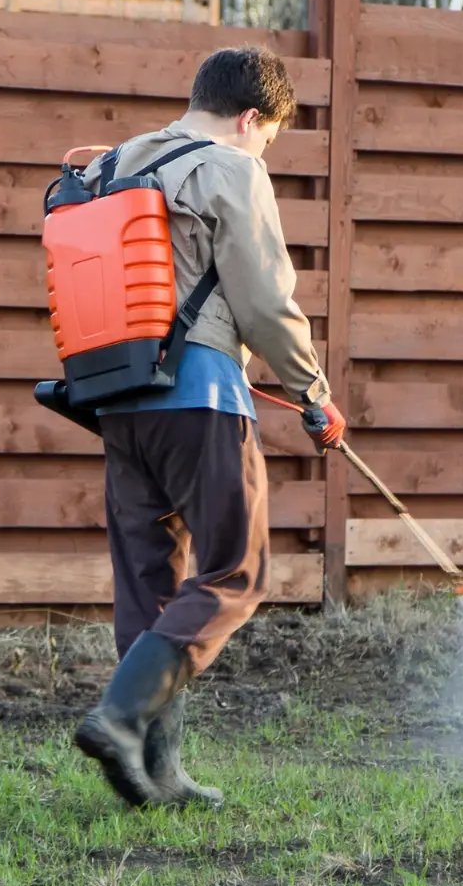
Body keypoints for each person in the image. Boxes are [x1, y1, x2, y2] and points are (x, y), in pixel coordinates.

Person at [69, 46, 347, 809]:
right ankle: (122, 720)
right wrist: (314, 393)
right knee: (238, 570)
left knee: (149, 585)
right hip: (200, 400)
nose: (264, 153)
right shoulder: (231, 166)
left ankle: (158, 774)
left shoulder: (114, 163)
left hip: (118, 400)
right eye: (269, 138)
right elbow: (265, 300)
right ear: (252, 118)